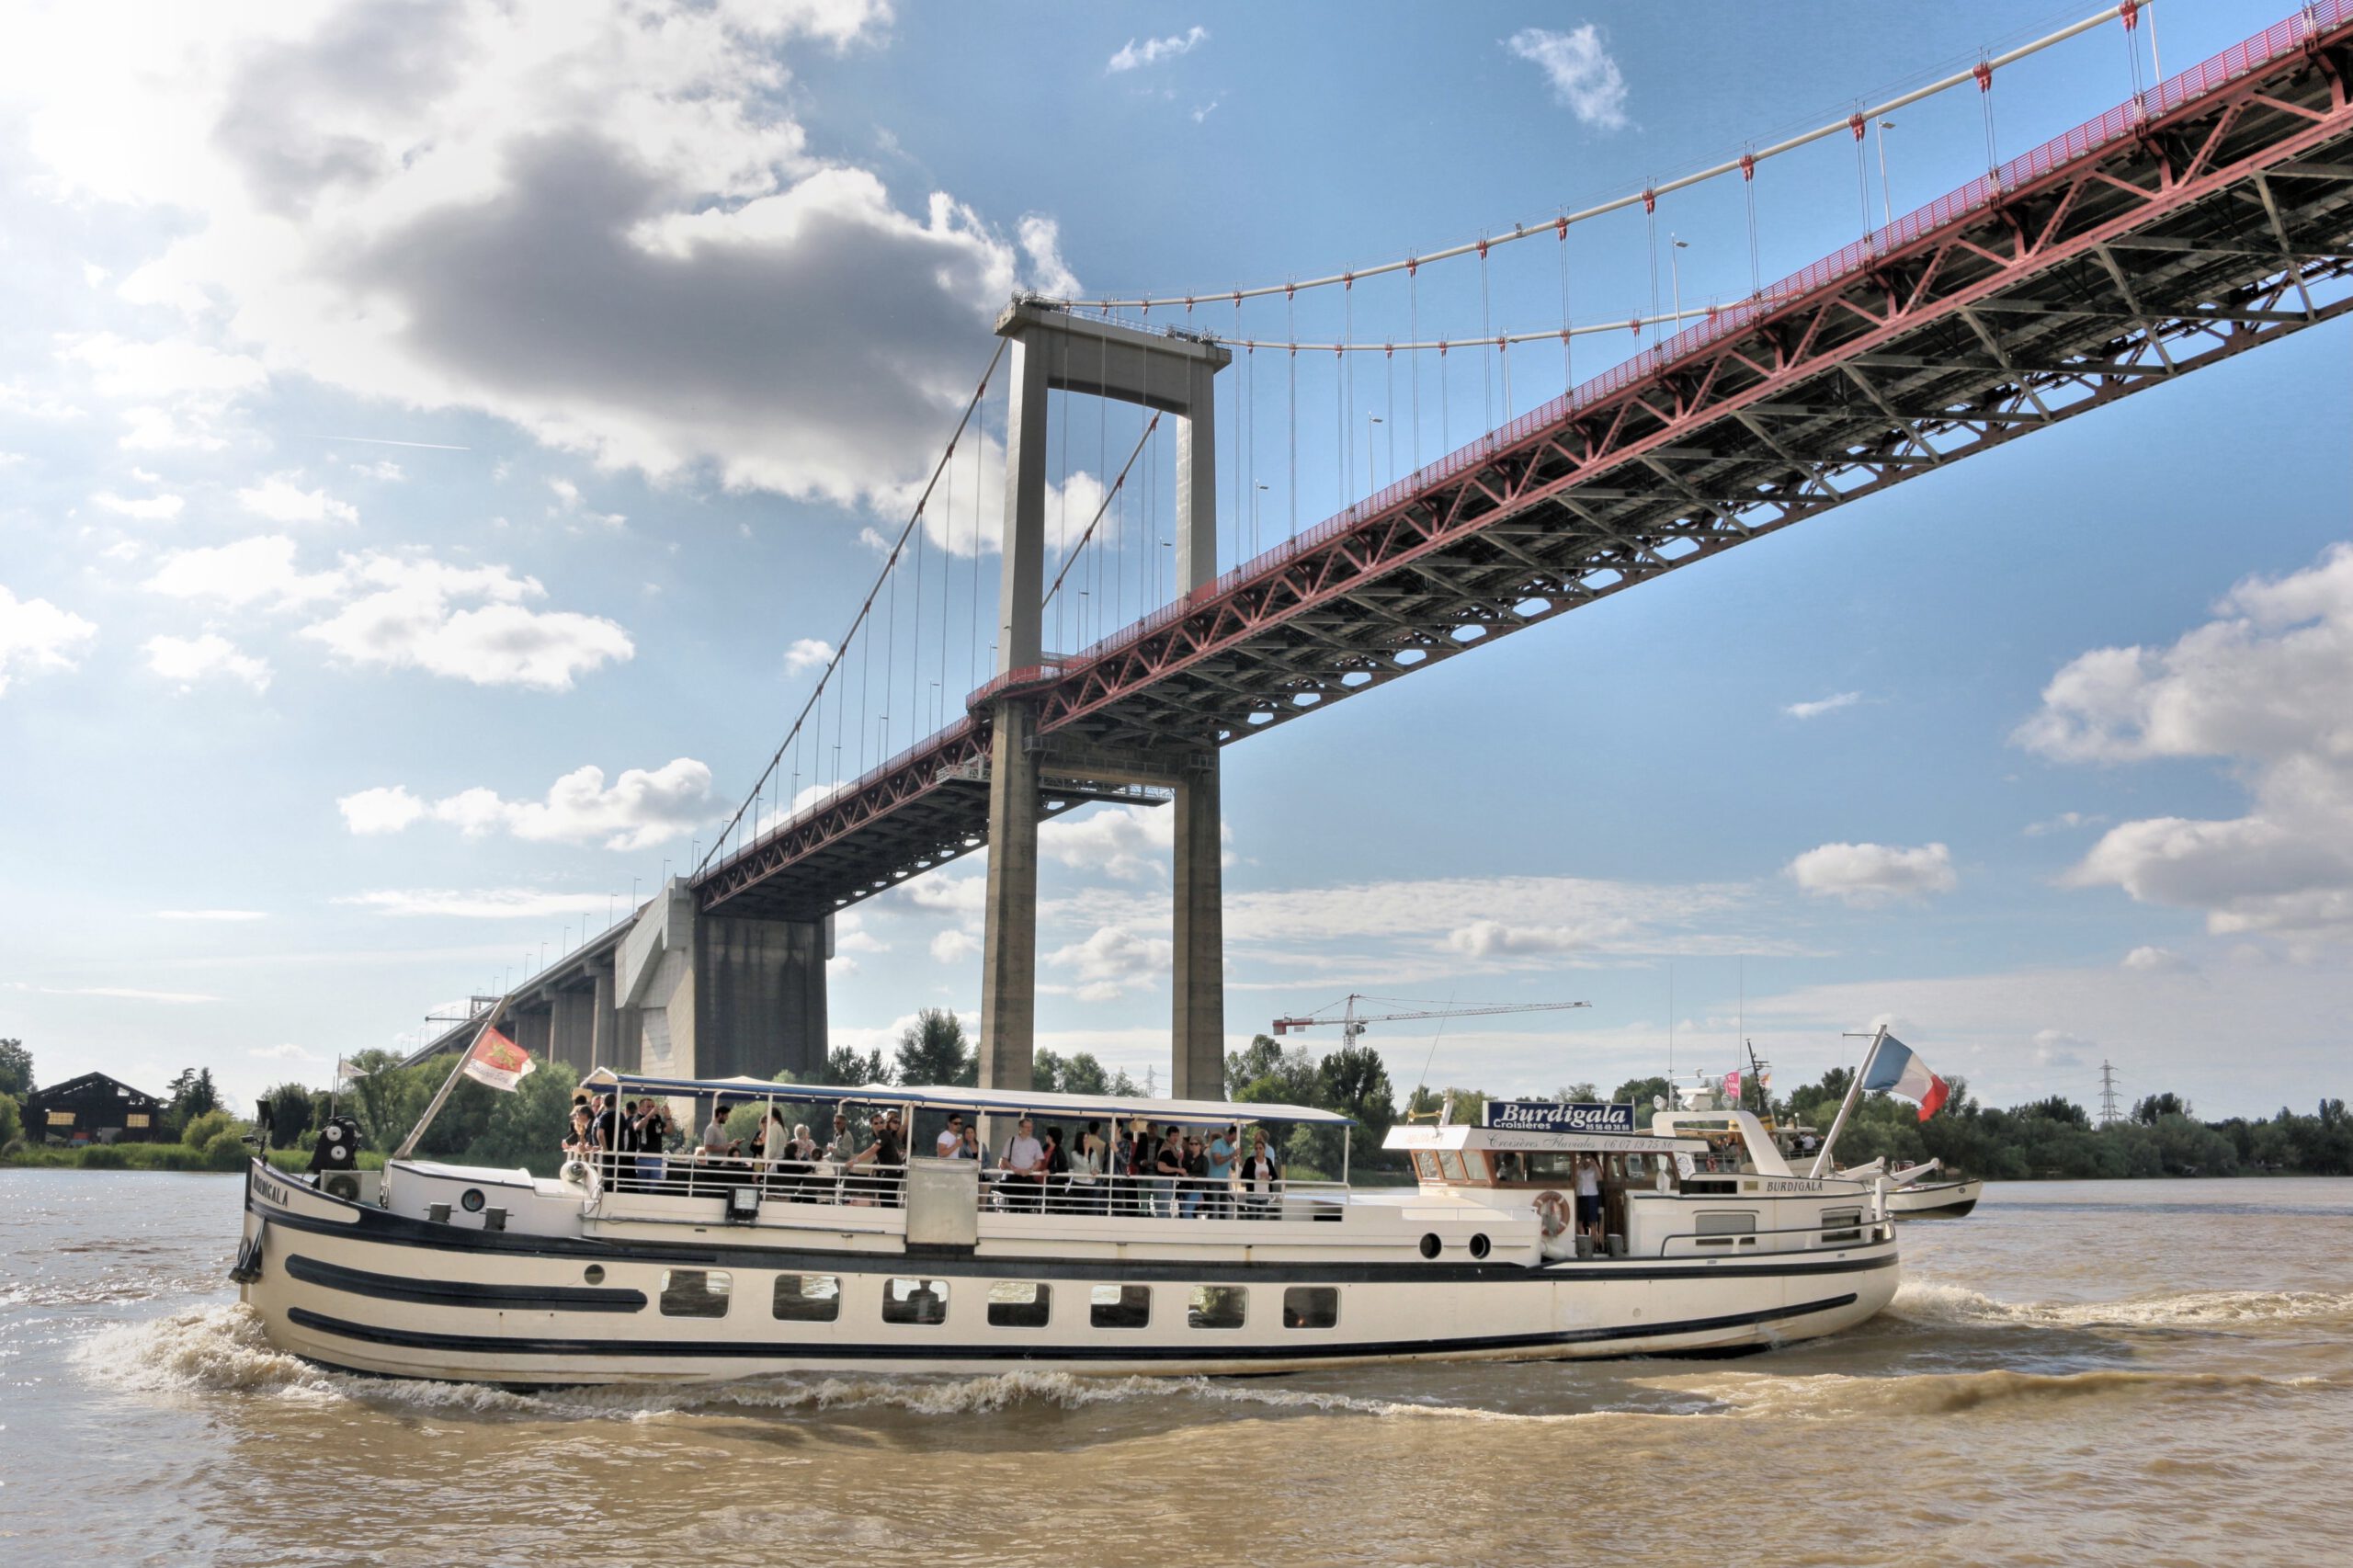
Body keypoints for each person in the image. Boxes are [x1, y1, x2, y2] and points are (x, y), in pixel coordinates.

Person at [1000, 1117, 1045, 1212]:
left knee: (1026, 1207)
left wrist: (1030, 1170)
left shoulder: (1035, 1143)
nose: (1030, 1129)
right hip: (1014, 1177)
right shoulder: (1011, 1140)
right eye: (1027, 1127)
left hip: (1028, 1178)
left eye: (1031, 1127)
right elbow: (1004, 1159)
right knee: (1013, 1206)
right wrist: (1014, 1169)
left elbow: (1039, 1162)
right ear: (1020, 1128)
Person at [1153, 1125, 1186, 1219]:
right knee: (1163, 1210)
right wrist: (1178, 1169)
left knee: (1161, 1210)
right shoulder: (1166, 1150)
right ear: (1168, 1136)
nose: (1176, 1138)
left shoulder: (1172, 1149)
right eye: (1173, 1135)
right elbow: (1161, 1167)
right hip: (1164, 1182)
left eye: (1177, 1135)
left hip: (1164, 1182)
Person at [1206, 1125, 1237, 1219]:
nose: (1236, 1139)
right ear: (1232, 1134)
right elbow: (1217, 1161)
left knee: (1224, 1209)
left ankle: (1223, 1231)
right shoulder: (1217, 1143)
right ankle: (1212, 1231)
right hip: (1214, 1181)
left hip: (1224, 1181)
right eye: (1236, 1136)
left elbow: (1233, 1167)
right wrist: (1232, 1155)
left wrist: (1238, 1162)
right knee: (1215, 1209)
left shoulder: (1232, 1148)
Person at [1179, 1133, 1211, 1218]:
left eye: (1196, 1144)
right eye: (1191, 1144)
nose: (1193, 1146)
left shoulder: (1204, 1159)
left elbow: (1204, 1174)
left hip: (1197, 1188)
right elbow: (1183, 1170)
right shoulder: (1186, 1158)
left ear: (1200, 1146)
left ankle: (1195, 1230)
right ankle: (1189, 1230)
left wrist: (1189, 1174)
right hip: (1185, 1187)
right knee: (1184, 1212)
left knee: (1187, 1212)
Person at [1574, 1153, 1604, 1243]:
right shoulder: (1579, 1169)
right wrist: (1579, 1163)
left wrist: (1595, 1165)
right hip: (1580, 1196)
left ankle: (1592, 1245)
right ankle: (1584, 1242)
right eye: (1584, 1157)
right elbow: (1573, 1176)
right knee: (1579, 1221)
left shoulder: (1594, 1169)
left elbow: (1600, 1179)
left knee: (1592, 1221)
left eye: (1588, 1157)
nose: (1587, 1159)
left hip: (1592, 1196)